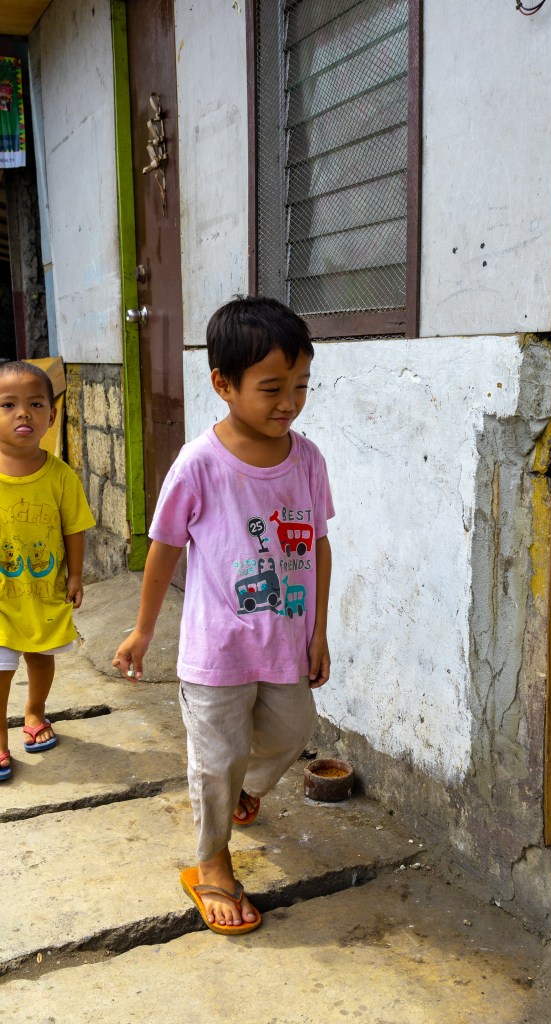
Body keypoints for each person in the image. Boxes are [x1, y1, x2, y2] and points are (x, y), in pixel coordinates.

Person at [112, 296, 334, 935]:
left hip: (286, 643)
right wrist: (144, 628)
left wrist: (319, 630)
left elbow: (318, 544)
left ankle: (247, 789)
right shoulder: (201, 463)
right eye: (271, 388)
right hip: (216, 651)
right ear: (224, 384)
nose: (288, 401)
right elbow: (164, 548)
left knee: (293, 730)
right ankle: (211, 860)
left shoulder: (308, 459)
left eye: (300, 386)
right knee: (215, 756)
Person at [0, 361, 95, 784]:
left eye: (35, 404)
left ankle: (35, 712)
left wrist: (75, 575)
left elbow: (74, 527)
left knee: (41, 658)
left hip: (44, 591)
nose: (23, 413)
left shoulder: (61, 476)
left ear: (51, 417)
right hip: (2, 596)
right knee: (0, 667)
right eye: (8, 405)